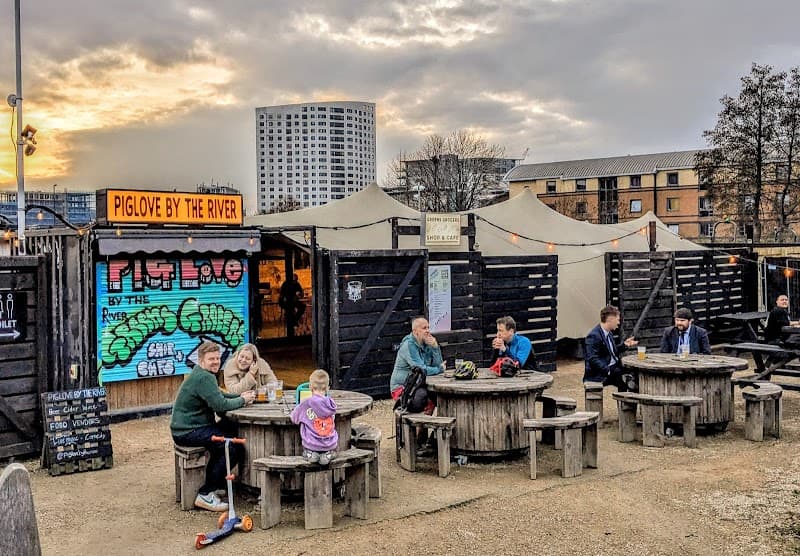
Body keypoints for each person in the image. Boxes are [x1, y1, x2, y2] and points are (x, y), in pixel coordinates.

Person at [170, 341, 255, 512]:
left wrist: (239, 395)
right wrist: (243, 400)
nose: (216, 362)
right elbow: (220, 405)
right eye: (211, 359)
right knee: (231, 447)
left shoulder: (201, 373)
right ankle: (205, 494)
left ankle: (217, 483)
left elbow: (218, 395)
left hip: (191, 427)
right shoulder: (204, 377)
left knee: (230, 428)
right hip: (188, 431)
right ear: (201, 360)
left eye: (217, 358)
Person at [389, 317, 445, 415]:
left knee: (441, 395)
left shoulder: (426, 343)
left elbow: (438, 365)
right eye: (424, 328)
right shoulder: (408, 345)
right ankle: (420, 427)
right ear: (415, 332)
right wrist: (439, 369)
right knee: (424, 397)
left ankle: (426, 427)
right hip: (402, 388)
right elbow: (421, 369)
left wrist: (435, 347)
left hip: (419, 385)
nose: (428, 331)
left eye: (428, 327)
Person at [584, 305, 638, 391]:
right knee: (623, 378)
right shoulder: (594, 335)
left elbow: (611, 351)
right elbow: (592, 358)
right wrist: (608, 370)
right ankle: (625, 398)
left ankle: (626, 399)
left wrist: (624, 345)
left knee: (635, 373)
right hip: (600, 373)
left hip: (614, 367)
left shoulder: (608, 333)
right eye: (617, 320)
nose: (618, 323)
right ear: (610, 319)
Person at [290, 369, 338, 466]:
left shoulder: (305, 403)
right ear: (327, 388)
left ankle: (311, 454)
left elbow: (294, 419)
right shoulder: (331, 404)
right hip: (329, 444)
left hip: (312, 444)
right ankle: (328, 454)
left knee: (308, 451)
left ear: (310, 387)